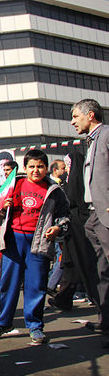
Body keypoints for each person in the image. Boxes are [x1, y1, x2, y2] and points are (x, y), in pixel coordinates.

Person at [0, 149, 70, 344]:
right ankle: (2, 323)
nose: (36, 170)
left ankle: (35, 326)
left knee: (36, 286)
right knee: (8, 284)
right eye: (31, 166)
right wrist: (3, 207)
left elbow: (66, 217)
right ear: (25, 167)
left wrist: (57, 227)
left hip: (39, 242)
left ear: (47, 168)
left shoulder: (54, 191)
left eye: (40, 166)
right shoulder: (14, 183)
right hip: (14, 240)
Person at [71, 98, 109, 334]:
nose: (73, 121)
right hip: (93, 216)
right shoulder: (91, 142)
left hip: (105, 214)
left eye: (76, 116)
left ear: (90, 114)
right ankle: (106, 324)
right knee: (101, 273)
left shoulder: (105, 136)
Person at [48, 152, 100, 311]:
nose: (66, 169)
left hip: (79, 227)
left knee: (83, 264)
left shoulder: (79, 181)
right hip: (73, 228)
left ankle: (98, 301)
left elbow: (73, 198)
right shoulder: (70, 180)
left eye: (68, 165)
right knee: (70, 264)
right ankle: (64, 298)